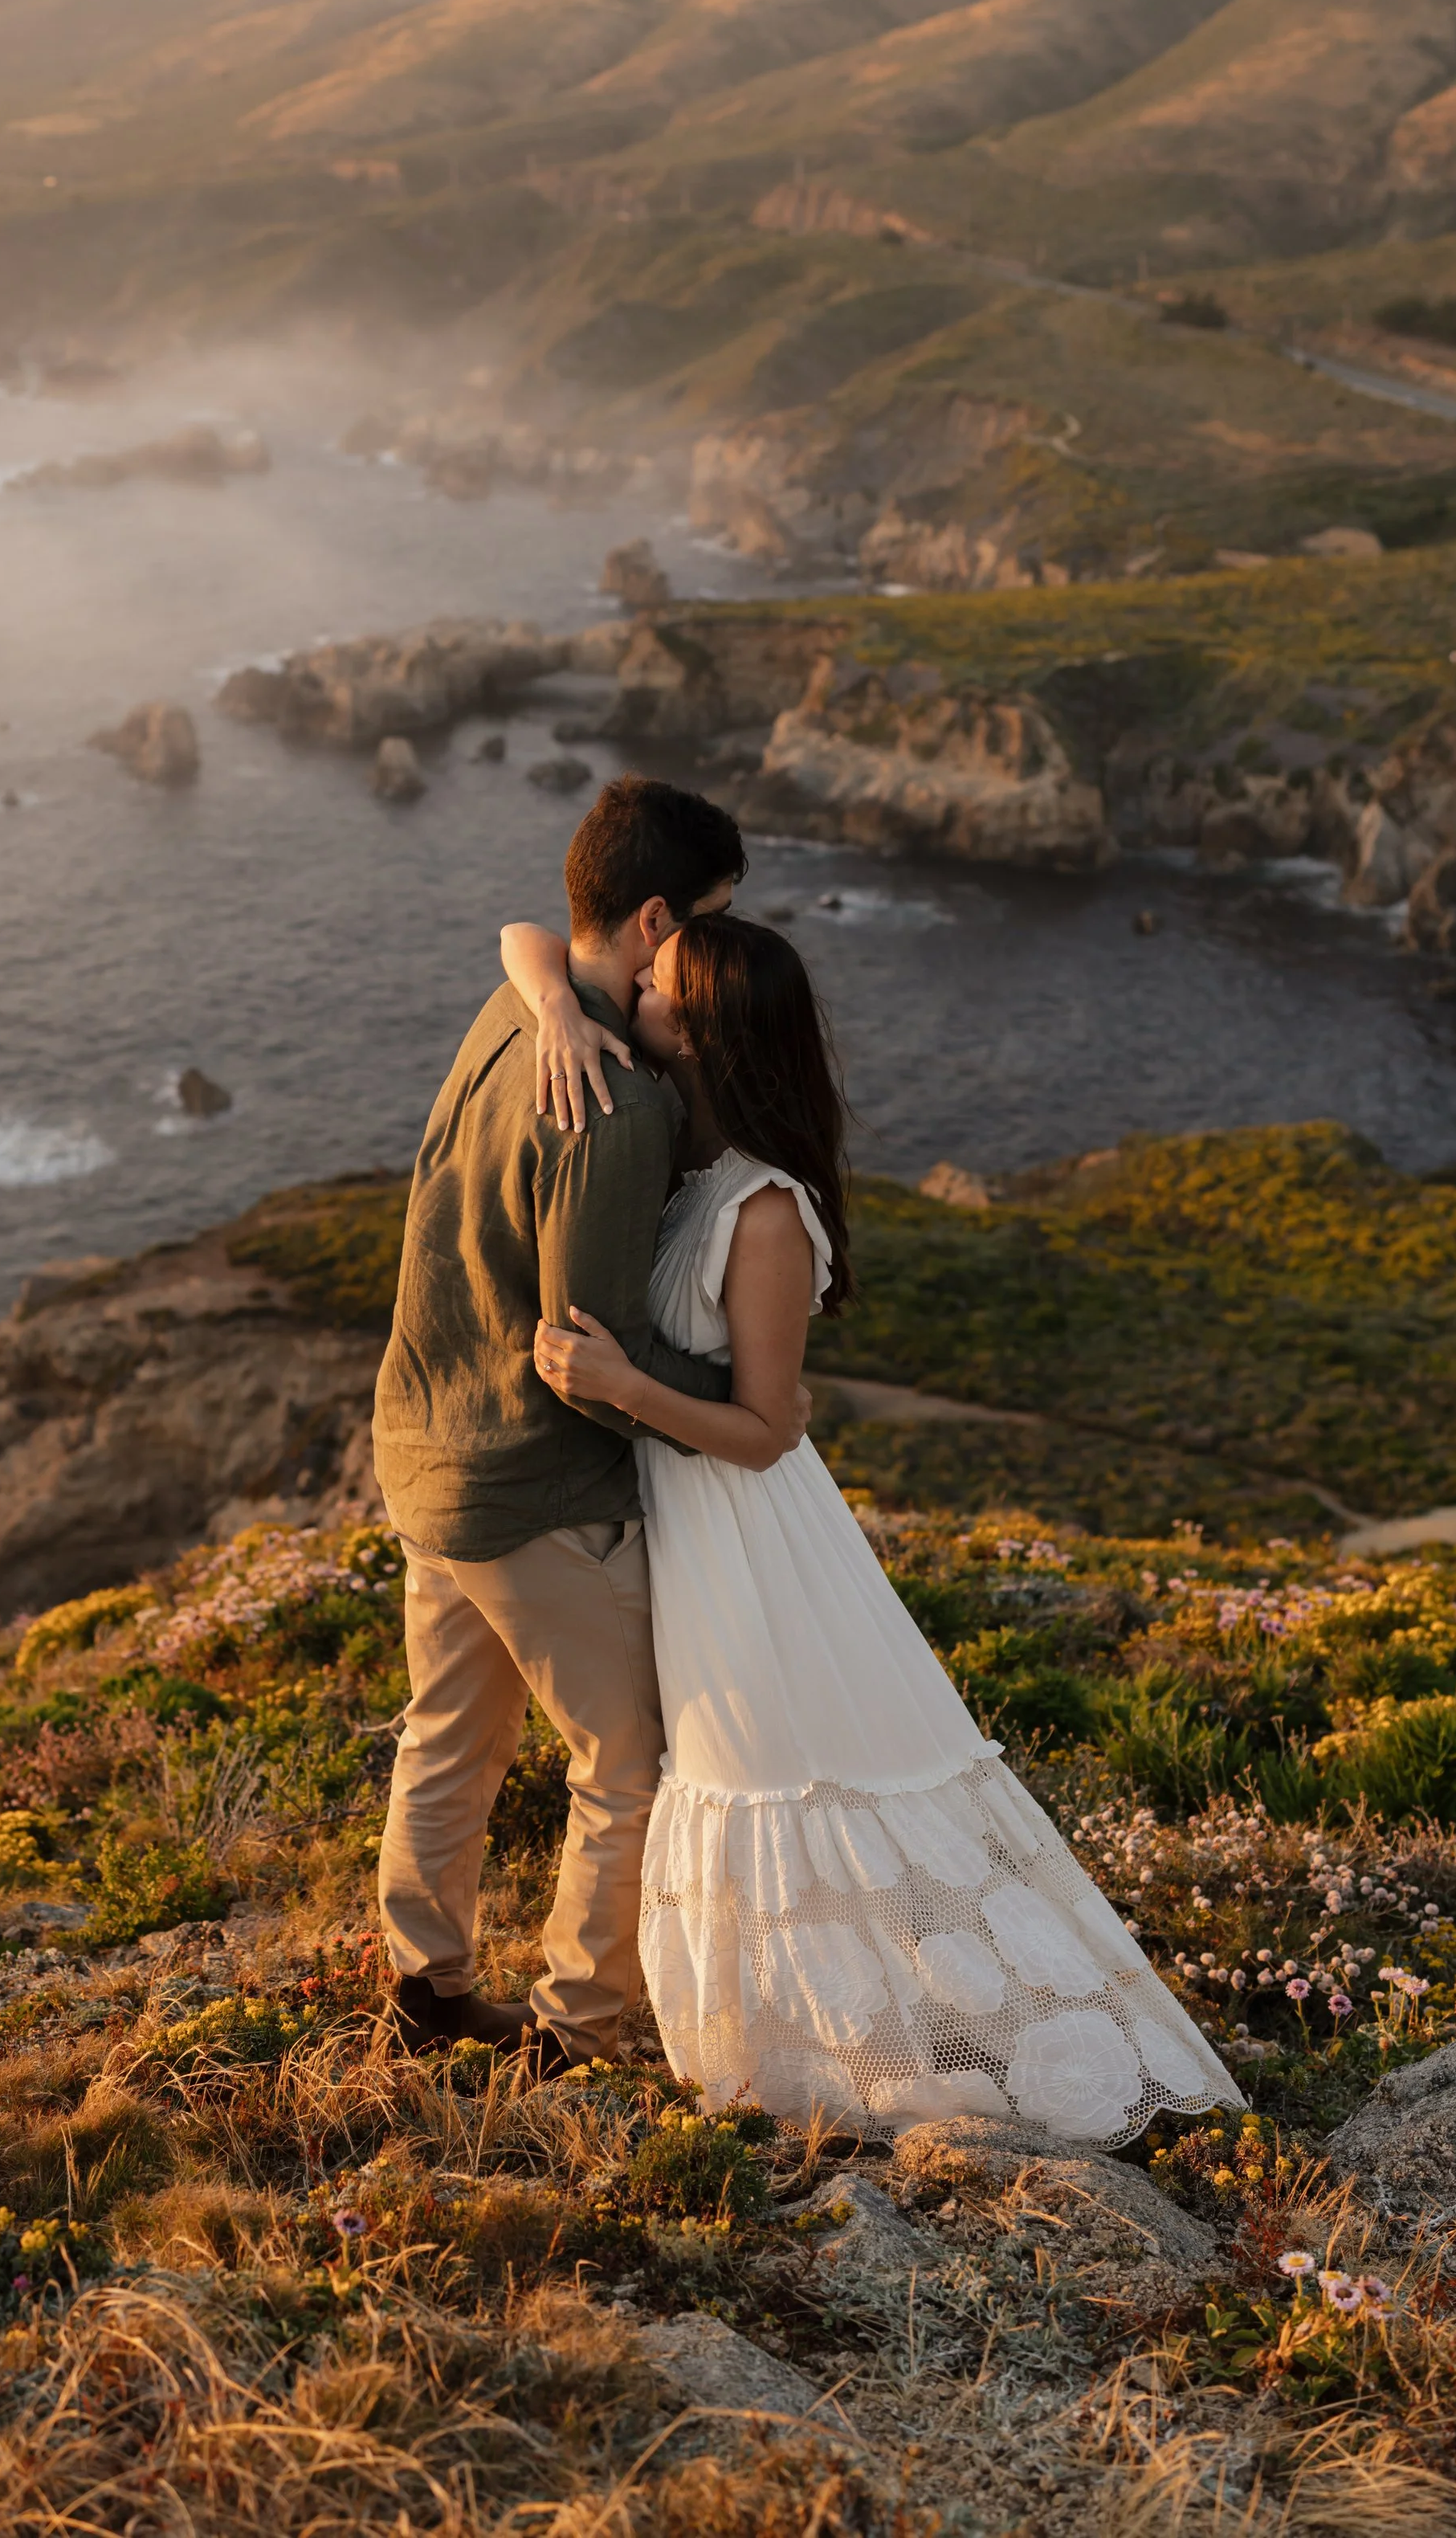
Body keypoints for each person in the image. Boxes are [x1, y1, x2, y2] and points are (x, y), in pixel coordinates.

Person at [509, 908, 1243, 2144]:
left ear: (703, 1034)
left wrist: (623, 1389)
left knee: (780, 1769)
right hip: (697, 1528)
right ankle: (805, 2046)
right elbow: (529, 935)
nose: (631, 991)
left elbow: (766, 1425)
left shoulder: (763, 1212)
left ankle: (907, 2054)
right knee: (747, 1767)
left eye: (657, 989)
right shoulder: (691, 1165)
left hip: (750, 1529)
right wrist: (547, 997)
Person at [374, 775, 810, 2076]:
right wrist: (744, 1389)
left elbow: (526, 942)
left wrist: (556, 984)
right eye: (713, 922)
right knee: (625, 1761)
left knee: (449, 1734)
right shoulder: (616, 1106)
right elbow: (586, 1351)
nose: (722, 948)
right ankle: (577, 2027)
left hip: (423, 1449)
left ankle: (421, 1987)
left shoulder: (513, 1014)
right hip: (537, 1485)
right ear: (659, 918)